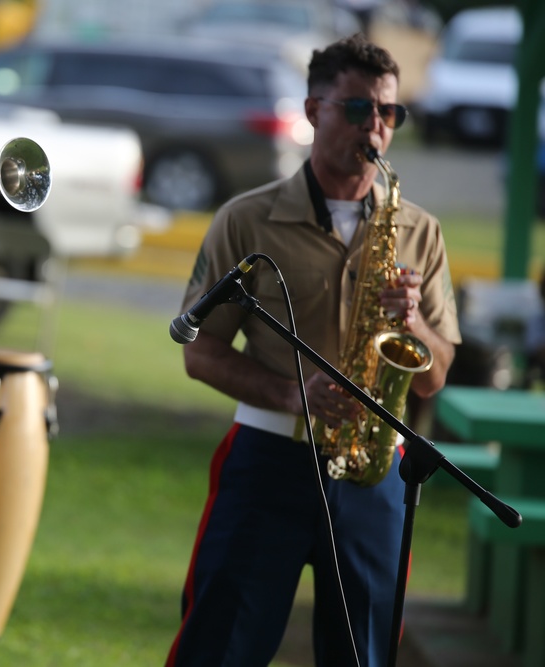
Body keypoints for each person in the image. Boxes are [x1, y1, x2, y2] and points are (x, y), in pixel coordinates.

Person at [165, 34, 460, 667]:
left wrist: (413, 324)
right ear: (312, 110)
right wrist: (292, 394)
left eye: (389, 114)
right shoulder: (246, 220)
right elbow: (201, 352)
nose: (375, 128)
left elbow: (434, 378)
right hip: (268, 461)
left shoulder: (421, 231)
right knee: (219, 647)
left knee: (364, 654)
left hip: (376, 474)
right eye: (357, 110)